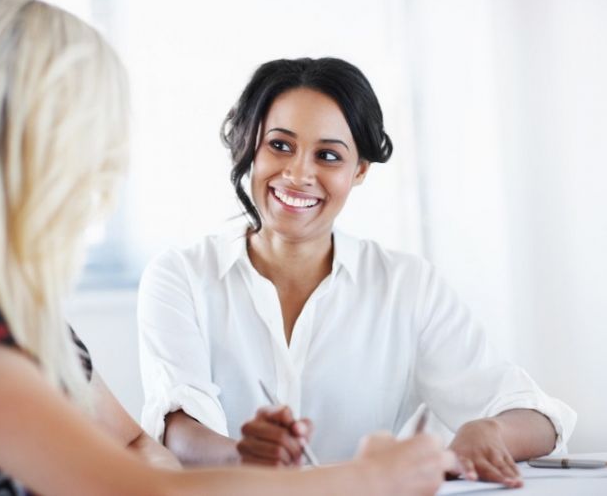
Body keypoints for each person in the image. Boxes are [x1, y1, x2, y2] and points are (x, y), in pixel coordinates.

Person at [0, 0, 457, 495]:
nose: (107, 176)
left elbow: (137, 449)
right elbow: (140, 490)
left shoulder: (12, 319)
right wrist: (372, 476)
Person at [137, 57, 577, 487]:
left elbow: (539, 416)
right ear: (250, 144)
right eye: (280, 145)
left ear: (359, 171)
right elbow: (177, 429)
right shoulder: (180, 276)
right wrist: (245, 456)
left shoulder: (407, 286)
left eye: (328, 155)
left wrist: (491, 432)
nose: (298, 174)